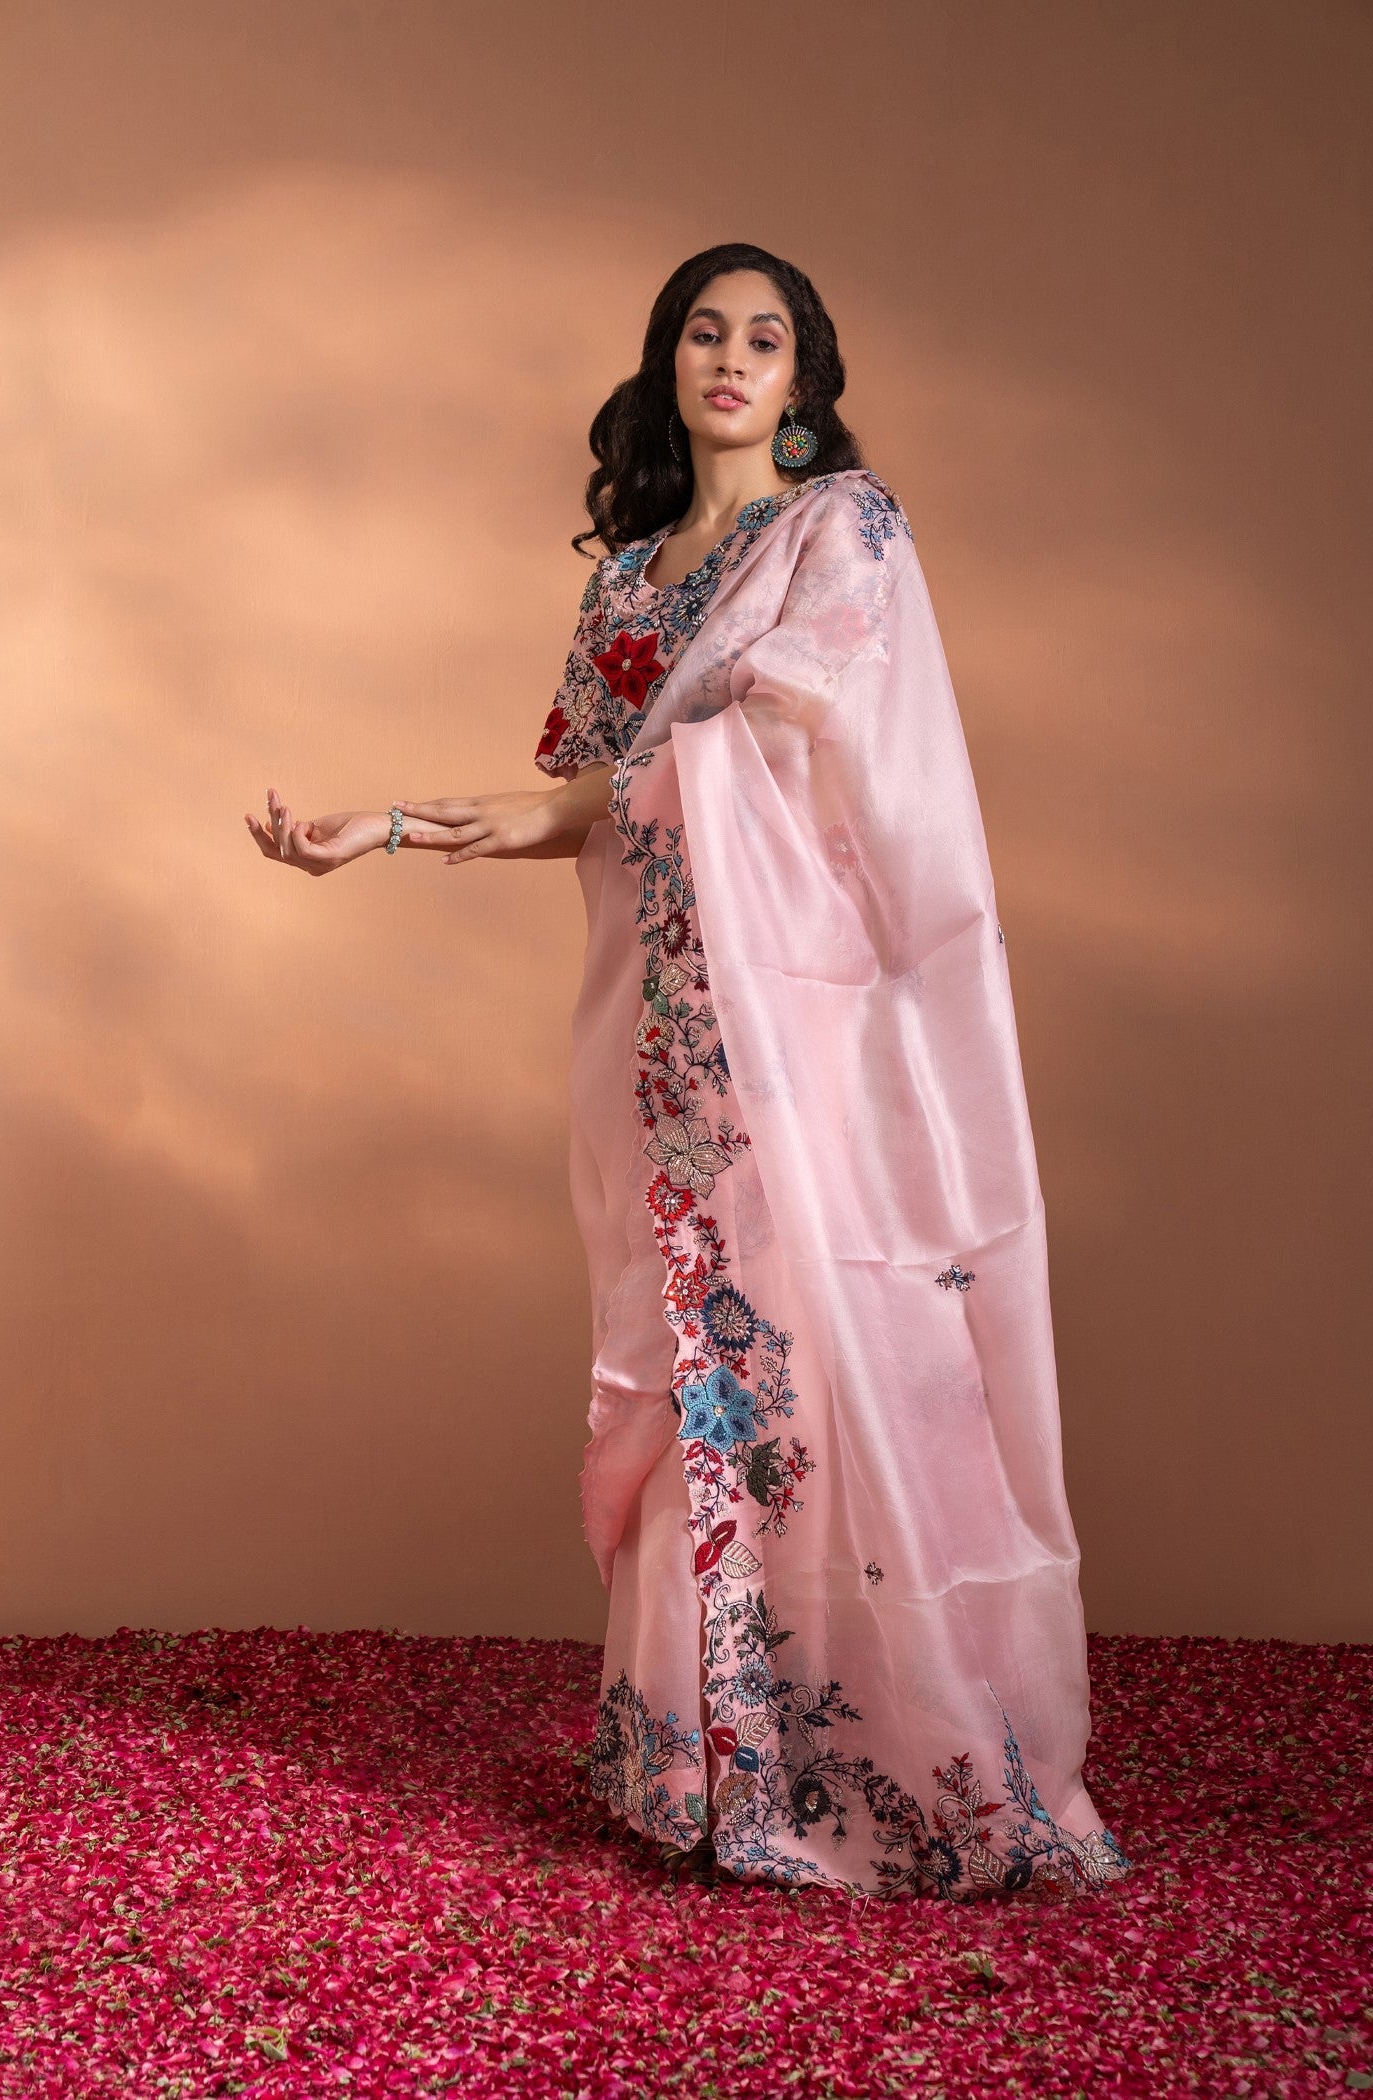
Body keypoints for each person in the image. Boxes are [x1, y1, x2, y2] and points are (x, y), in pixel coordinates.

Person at [247, 241, 1133, 1905]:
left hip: (797, 1013)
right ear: (668, 363)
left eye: (765, 338)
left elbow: (787, 732)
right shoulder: (630, 584)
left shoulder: (841, 532)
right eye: (706, 332)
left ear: (804, 380)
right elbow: (586, 798)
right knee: (694, 1351)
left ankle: (886, 1752)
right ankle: (708, 1765)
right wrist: (384, 828)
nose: (732, 357)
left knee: (824, 1343)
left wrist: (608, 787)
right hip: (655, 1017)